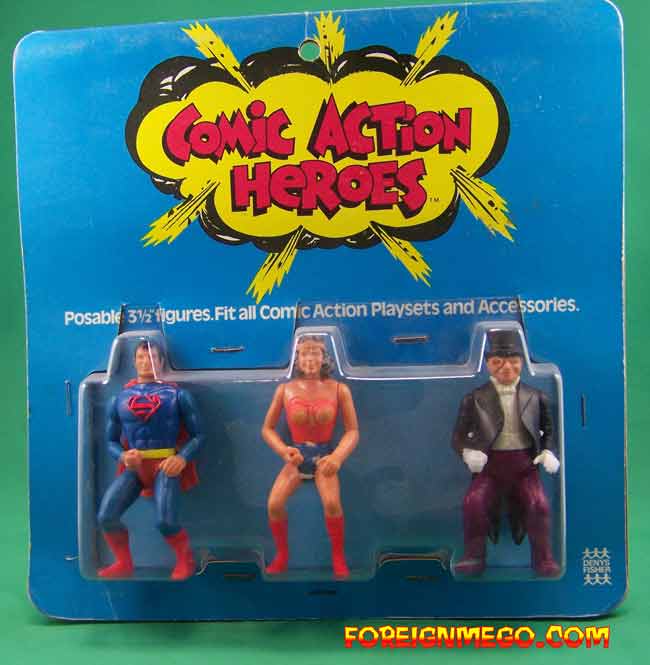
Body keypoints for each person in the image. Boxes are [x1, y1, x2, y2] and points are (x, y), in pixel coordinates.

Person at [452, 330, 561, 577]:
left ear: (522, 362)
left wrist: (548, 452)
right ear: (488, 364)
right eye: (498, 362)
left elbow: (549, 430)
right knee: (473, 502)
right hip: (490, 468)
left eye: (513, 361)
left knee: (539, 504)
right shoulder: (474, 399)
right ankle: (473, 556)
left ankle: (544, 558)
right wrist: (468, 453)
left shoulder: (537, 397)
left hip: (525, 467)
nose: (507, 368)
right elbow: (458, 437)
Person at [96, 339, 203, 580]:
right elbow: (110, 441)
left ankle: (185, 560)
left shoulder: (177, 395)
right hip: (135, 466)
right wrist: (123, 455)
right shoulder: (119, 399)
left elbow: (198, 435)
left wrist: (182, 458)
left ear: (162, 362)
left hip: (165, 465)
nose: (147, 362)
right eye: (141, 357)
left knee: (166, 521)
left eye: (152, 357)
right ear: (134, 362)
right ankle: (123, 562)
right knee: (106, 516)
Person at [262, 335, 359, 577]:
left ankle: (338, 556)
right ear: (297, 358)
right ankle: (282, 554)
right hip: (297, 457)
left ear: (324, 357)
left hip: (324, 458)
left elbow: (353, 431)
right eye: (305, 353)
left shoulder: (339, 389)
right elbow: (267, 429)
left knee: (332, 504)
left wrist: (337, 458)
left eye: (315, 352)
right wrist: (284, 450)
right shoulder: (285, 390)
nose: (310, 358)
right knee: (274, 504)